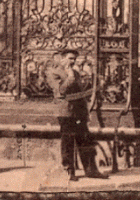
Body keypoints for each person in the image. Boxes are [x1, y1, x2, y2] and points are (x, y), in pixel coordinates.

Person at [46, 49, 108, 181]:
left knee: (85, 140)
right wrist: (70, 76)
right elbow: (61, 91)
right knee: (68, 142)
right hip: (65, 112)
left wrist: (96, 86)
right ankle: (68, 171)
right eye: (70, 58)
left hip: (79, 112)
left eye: (74, 59)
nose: (72, 61)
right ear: (62, 59)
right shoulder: (53, 72)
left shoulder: (75, 72)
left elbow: (80, 92)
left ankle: (91, 170)